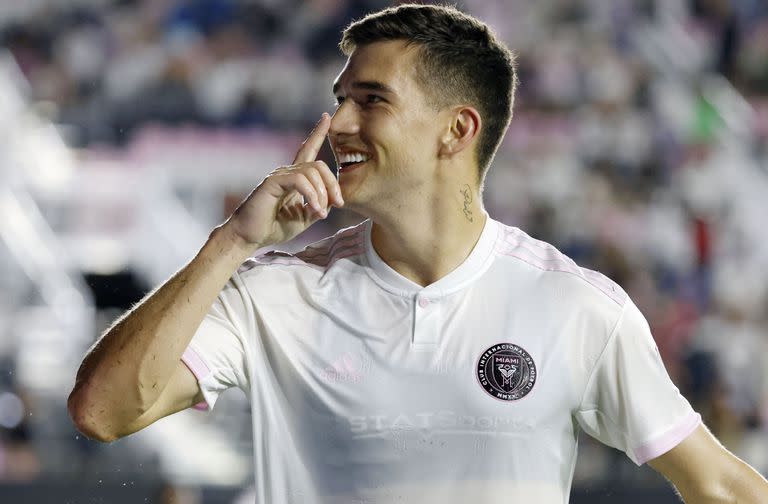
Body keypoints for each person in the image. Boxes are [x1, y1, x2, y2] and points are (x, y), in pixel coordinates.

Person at [68, 4, 768, 503]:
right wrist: (231, 244)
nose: (337, 123)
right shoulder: (274, 293)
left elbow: (718, 485)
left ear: (455, 131)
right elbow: (103, 412)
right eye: (340, 99)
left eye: (370, 100)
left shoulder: (573, 306)